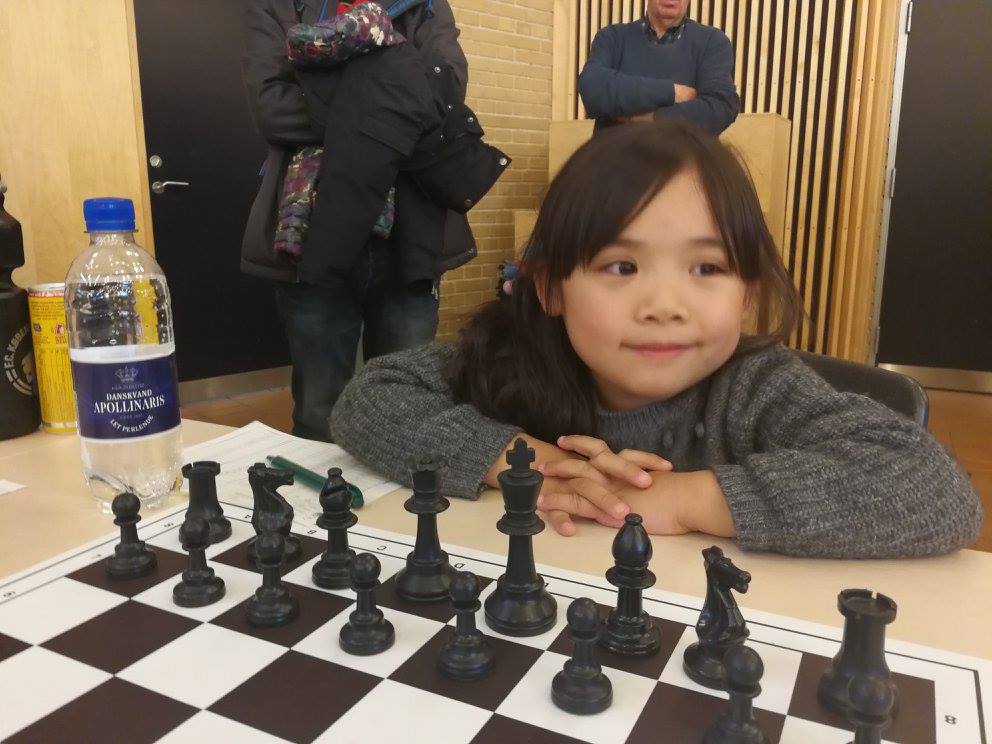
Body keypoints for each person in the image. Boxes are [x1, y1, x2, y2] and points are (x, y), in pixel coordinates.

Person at [329, 120, 984, 559]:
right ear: (551, 289)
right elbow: (370, 397)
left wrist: (685, 497)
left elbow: (934, 490)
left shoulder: (756, 388)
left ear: (747, 293)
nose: (665, 307)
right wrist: (521, 460)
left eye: (708, 268)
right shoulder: (515, 356)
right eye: (622, 267)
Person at [241, 0, 475, 441]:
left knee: (406, 407)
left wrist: (324, 87)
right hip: (310, 233)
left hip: (410, 235)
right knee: (319, 413)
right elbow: (272, 110)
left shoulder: (423, 5)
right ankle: (321, 491)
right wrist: (391, 101)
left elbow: (445, 94)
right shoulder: (275, 5)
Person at [577, 0, 740, 135]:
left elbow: (720, 108)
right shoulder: (612, 37)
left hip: (683, 162)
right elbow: (592, 88)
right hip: (614, 160)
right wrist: (673, 92)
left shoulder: (712, 42)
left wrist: (647, 118)